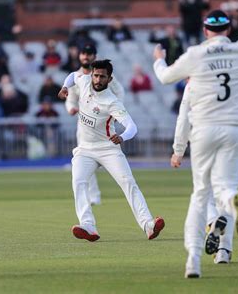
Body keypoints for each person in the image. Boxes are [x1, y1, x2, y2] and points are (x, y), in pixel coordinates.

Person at [152, 0, 238, 278]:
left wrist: (159, 60)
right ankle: (227, 232)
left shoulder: (196, 56)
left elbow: (166, 81)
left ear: (205, 31)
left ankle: (193, 262)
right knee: (226, 188)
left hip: (204, 130)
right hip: (235, 129)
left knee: (200, 194)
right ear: (228, 29)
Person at [58, 59, 164, 242]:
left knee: (128, 182)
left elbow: (132, 127)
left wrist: (123, 136)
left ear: (109, 79)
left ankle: (148, 225)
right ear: (92, 74)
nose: (98, 80)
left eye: (102, 77)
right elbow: (72, 76)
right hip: (85, 149)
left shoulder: (112, 101)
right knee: (78, 181)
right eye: (96, 75)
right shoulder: (83, 82)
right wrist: (65, 87)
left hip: (108, 148)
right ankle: (88, 226)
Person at [170, 80, 228, 263]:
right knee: (226, 193)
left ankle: (211, 222)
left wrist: (178, 150)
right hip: (229, 137)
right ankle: (224, 252)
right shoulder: (230, 75)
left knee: (203, 191)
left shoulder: (194, 83)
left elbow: (184, 118)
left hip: (203, 139)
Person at [64, 44, 125, 206]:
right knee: (84, 162)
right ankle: (93, 196)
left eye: (89, 54)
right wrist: (71, 108)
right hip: (84, 124)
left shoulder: (103, 75)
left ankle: (98, 194)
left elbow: (120, 93)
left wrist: (116, 111)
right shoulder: (78, 77)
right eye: (84, 53)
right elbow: (70, 98)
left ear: (94, 56)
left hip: (103, 122)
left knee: (109, 159)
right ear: (79, 56)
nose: (86, 56)